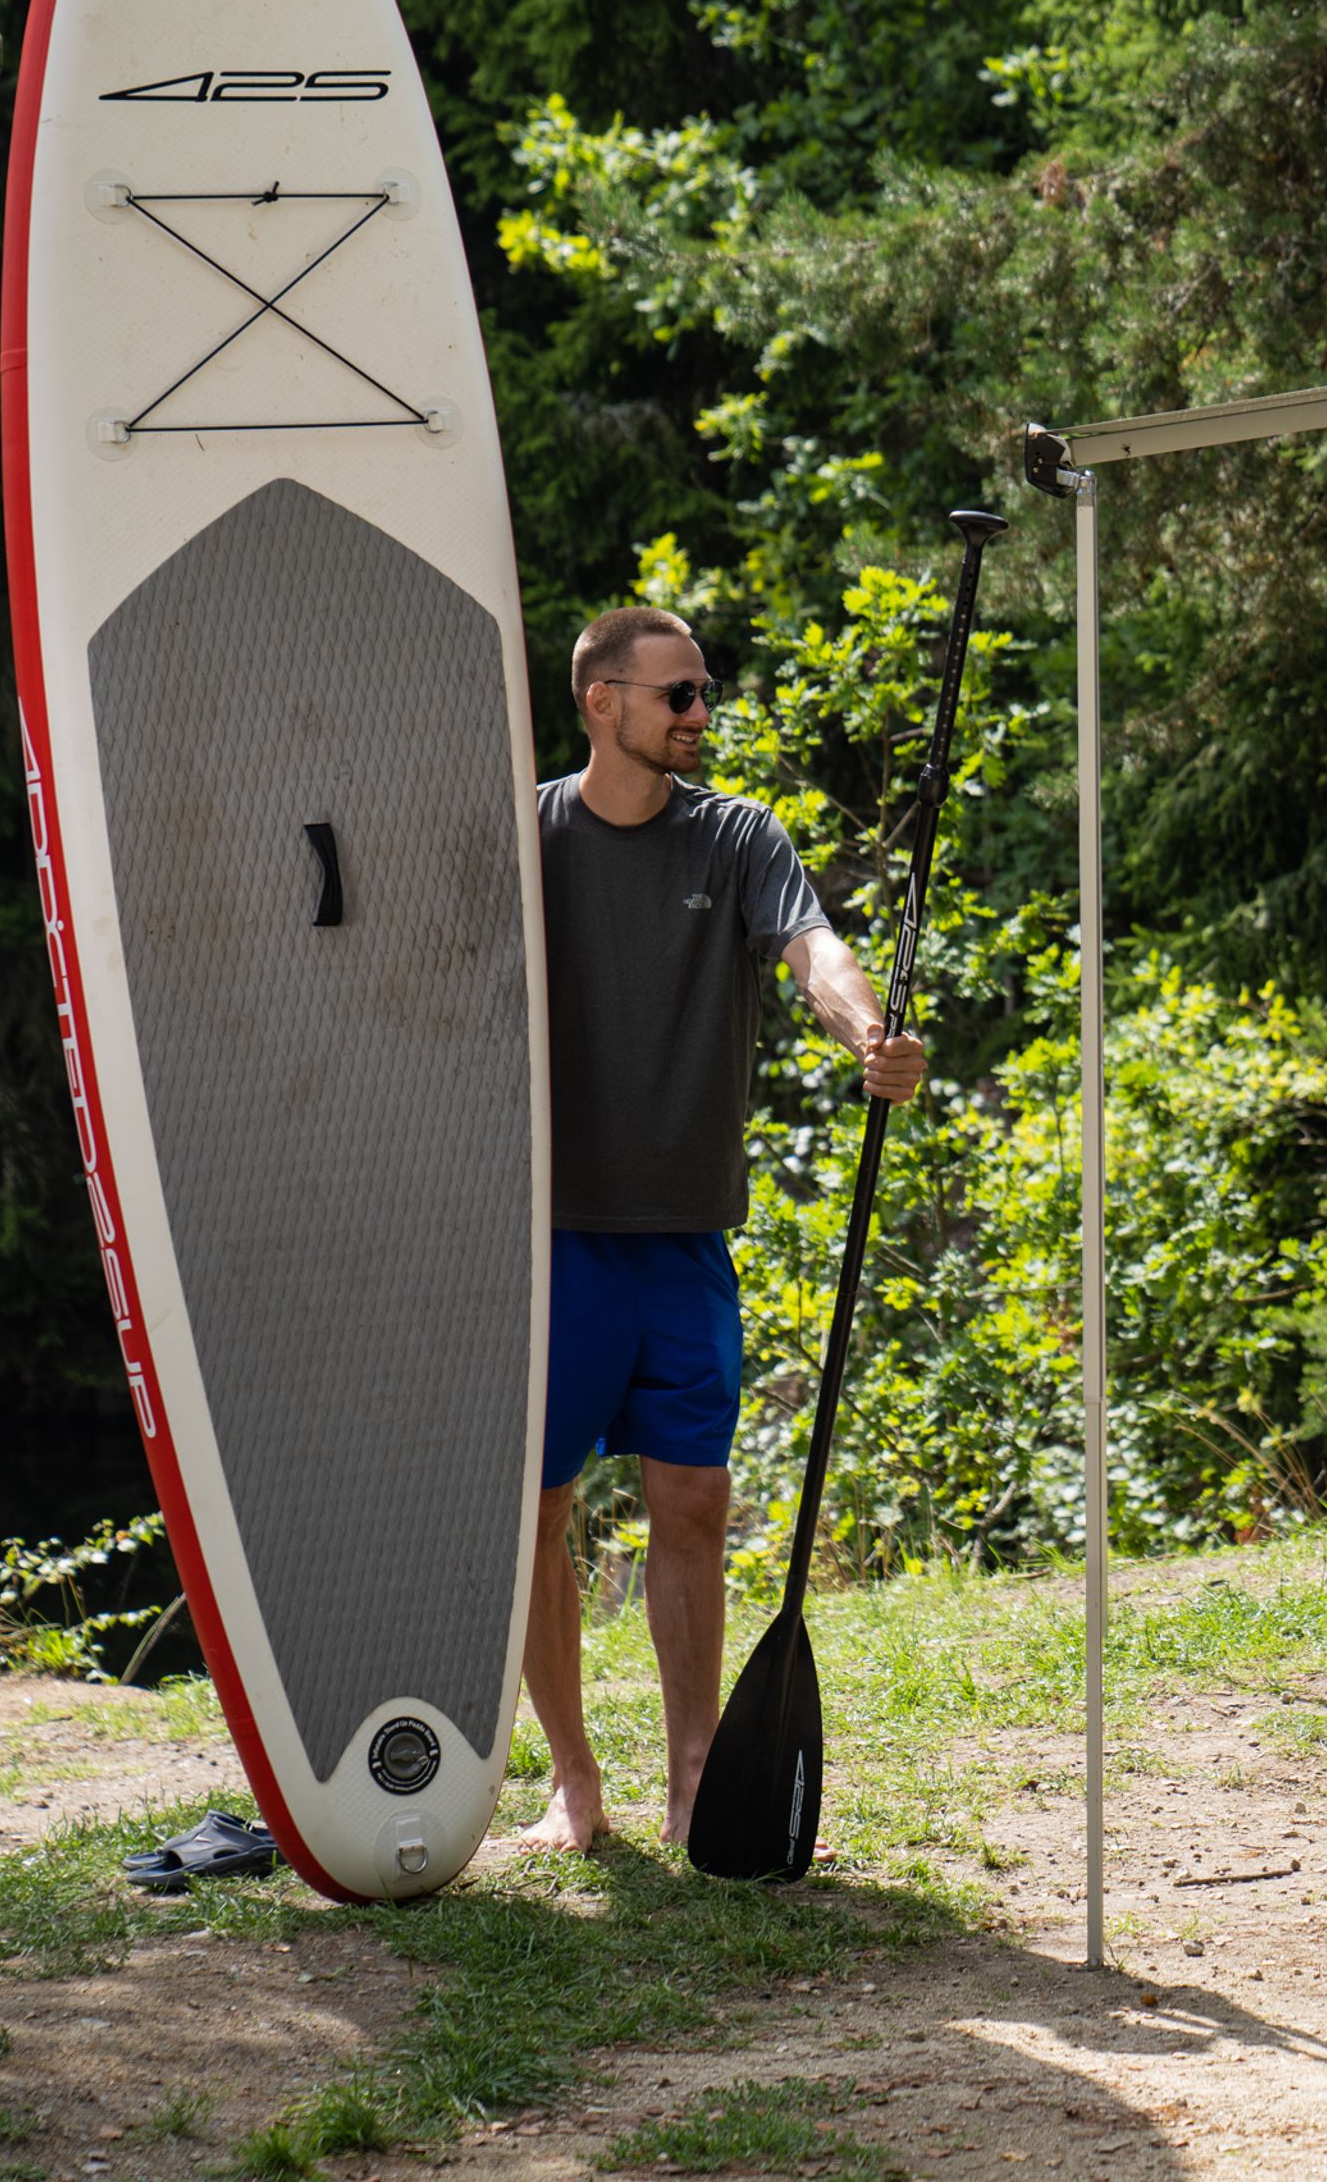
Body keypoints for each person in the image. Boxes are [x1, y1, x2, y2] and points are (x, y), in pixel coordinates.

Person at [522, 606, 927, 1851]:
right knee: (539, 1514)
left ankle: (693, 1772)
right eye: (677, 695)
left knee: (692, 1500)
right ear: (602, 700)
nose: (701, 713)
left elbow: (812, 948)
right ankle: (575, 1779)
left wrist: (865, 1029)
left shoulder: (738, 833)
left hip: (686, 1241)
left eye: (705, 692)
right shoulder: (528, 834)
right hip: (554, 1248)